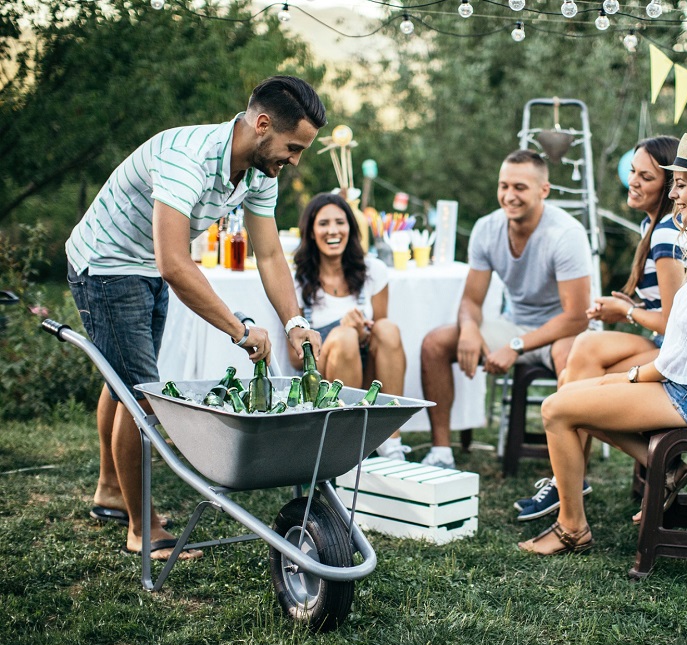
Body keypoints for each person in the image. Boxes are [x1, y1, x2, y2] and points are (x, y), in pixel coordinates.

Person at [66, 76, 327, 560]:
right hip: (106, 264)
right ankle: (143, 528)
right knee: (141, 394)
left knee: (120, 376)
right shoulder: (188, 155)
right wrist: (239, 329)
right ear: (262, 124)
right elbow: (174, 262)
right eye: (293, 148)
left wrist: (294, 323)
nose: (294, 160)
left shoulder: (258, 172)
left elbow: (269, 254)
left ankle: (109, 488)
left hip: (145, 264)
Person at [517, 132, 687, 555]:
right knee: (575, 392)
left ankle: (572, 527)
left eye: (682, 183)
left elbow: (679, 353)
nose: (674, 194)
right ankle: (662, 469)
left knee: (557, 407)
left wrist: (628, 376)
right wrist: (617, 380)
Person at [513, 136, 687, 522]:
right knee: (585, 354)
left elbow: (676, 322)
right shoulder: (654, 225)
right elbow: (669, 303)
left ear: (671, 184)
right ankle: (573, 483)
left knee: (580, 375)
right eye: (633, 173)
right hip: (664, 343)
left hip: (678, 352)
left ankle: (567, 486)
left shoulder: (665, 236)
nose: (635, 182)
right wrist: (631, 307)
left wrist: (626, 312)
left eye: (647, 176)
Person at [419, 149, 593, 469]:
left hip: (562, 330)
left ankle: (569, 472)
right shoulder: (487, 229)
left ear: (544, 191)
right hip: (516, 324)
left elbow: (577, 317)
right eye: (504, 186)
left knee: (569, 358)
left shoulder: (565, 234)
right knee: (435, 343)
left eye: (519, 188)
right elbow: (471, 300)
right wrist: (470, 329)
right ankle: (441, 451)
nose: (509, 196)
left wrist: (516, 346)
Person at [290, 192, 407, 459]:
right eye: (324, 223)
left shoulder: (373, 270)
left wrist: (361, 332)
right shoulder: (296, 279)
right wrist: (339, 331)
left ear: (351, 229)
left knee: (387, 328)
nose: (333, 230)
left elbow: (379, 336)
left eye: (340, 222)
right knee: (342, 337)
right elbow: (296, 362)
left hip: (367, 375)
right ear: (310, 232)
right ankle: (347, 446)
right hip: (321, 380)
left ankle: (391, 443)